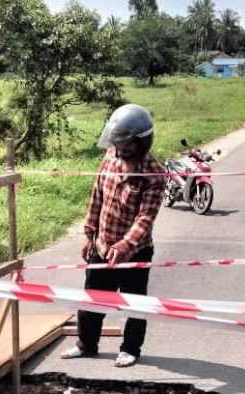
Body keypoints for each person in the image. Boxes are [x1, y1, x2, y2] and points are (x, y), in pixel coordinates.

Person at [61, 103, 166, 368]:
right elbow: (97, 196)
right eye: (117, 143)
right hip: (102, 245)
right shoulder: (109, 157)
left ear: (140, 143)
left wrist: (125, 245)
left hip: (135, 251)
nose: (120, 149)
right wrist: (89, 234)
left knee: (134, 303)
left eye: (126, 144)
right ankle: (86, 344)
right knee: (92, 299)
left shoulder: (153, 173)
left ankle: (130, 349)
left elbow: (145, 217)